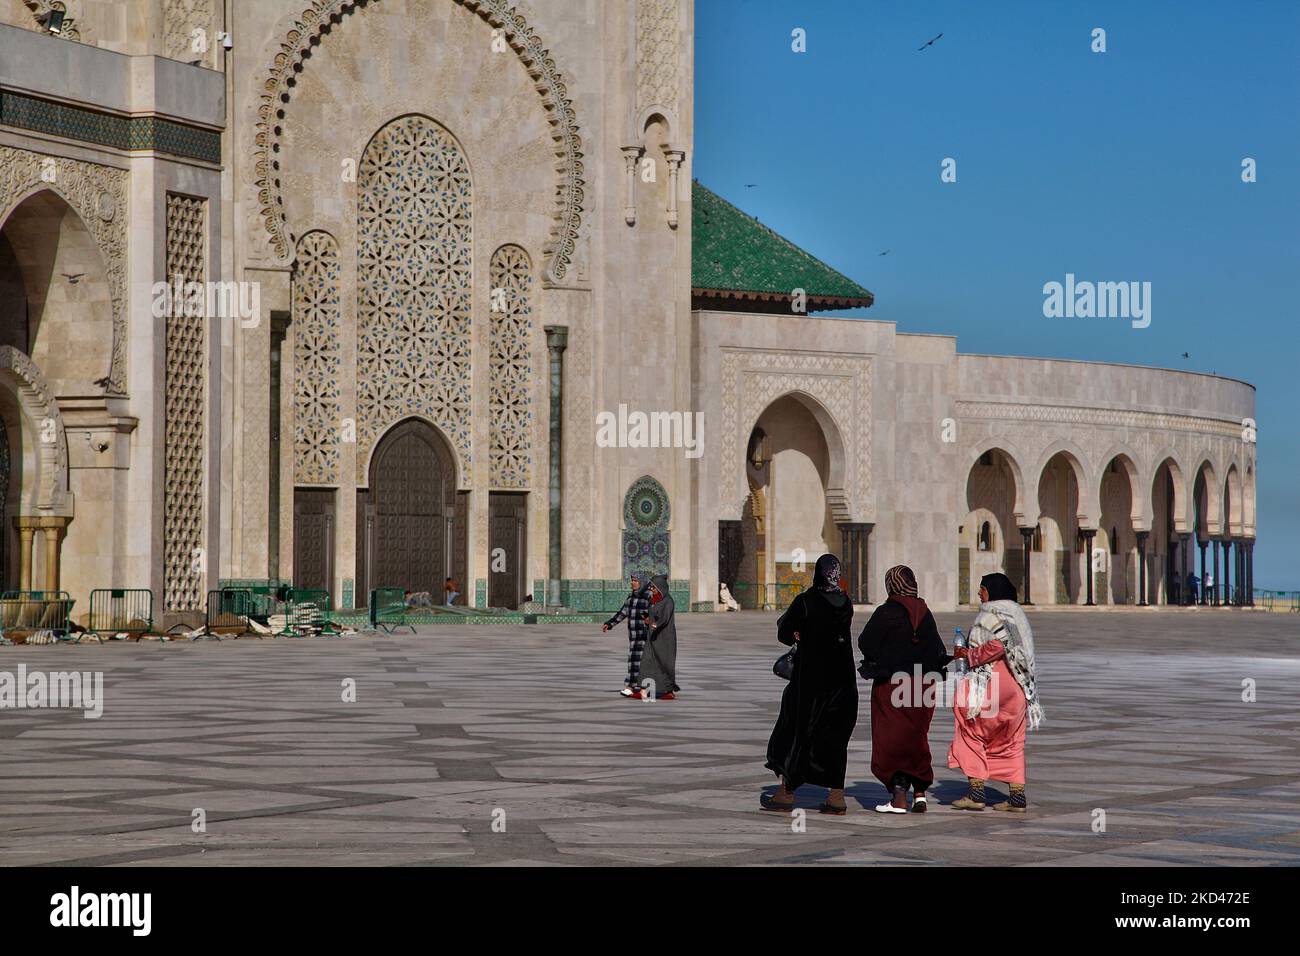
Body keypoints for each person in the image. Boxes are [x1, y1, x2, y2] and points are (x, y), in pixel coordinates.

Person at [762, 554, 858, 815]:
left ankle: (786, 793)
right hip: (844, 682)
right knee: (835, 738)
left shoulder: (806, 602)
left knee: (798, 732)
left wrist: (799, 632)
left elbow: (784, 633)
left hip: (812, 681)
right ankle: (836, 796)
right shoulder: (846, 603)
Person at [857, 565, 951, 814]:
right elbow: (936, 649)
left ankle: (899, 797)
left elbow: (866, 641)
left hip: (893, 686)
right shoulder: (925, 612)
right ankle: (920, 793)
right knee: (916, 736)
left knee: (892, 739)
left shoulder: (887, 612)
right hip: (922, 684)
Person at [948, 572, 1044, 812]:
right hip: (1018, 689)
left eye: (982, 589)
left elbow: (1000, 644)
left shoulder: (990, 613)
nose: (979, 593)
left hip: (992, 686)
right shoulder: (1018, 614)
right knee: (1012, 741)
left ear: (992, 591)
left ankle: (976, 793)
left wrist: (969, 655)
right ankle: (1016, 798)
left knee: (970, 729)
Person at [602, 571, 652, 697]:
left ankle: (642, 688)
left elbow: (655, 614)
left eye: (635, 580)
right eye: (632, 580)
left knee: (642, 662)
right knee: (633, 661)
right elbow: (622, 613)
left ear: (641, 582)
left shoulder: (648, 596)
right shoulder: (632, 597)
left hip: (645, 635)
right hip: (634, 636)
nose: (632, 583)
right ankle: (631, 686)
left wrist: (650, 622)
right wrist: (610, 623)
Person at [639, 575, 679, 699]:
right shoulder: (654, 600)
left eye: (654, 587)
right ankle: (643, 689)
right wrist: (648, 619)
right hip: (653, 637)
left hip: (665, 639)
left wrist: (653, 623)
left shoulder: (668, 601)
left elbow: (664, 618)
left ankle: (668, 689)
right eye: (651, 586)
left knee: (665, 664)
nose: (652, 589)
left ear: (661, 587)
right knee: (646, 661)